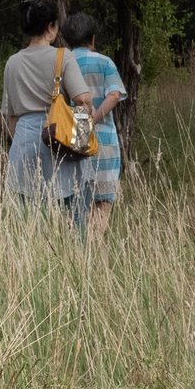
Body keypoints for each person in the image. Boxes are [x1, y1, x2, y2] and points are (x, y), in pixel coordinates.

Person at [0, 0, 93, 222]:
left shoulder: (12, 62)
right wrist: (80, 140)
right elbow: (83, 100)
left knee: (28, 216)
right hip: (58, 135)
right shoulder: (62, 56)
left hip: (23, 139)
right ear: (51, 27)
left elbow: (10, 116)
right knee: (71, 211)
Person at [62, 12, 129, 236]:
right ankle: (95, 255)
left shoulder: (62, 64)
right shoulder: (105, 62)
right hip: (105, 143)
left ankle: (84, 255)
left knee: (80, 207)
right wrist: (94, 118)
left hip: (72, 143)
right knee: (102, 207)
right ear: (92, 39)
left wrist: (81, 124)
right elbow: (114, 95)